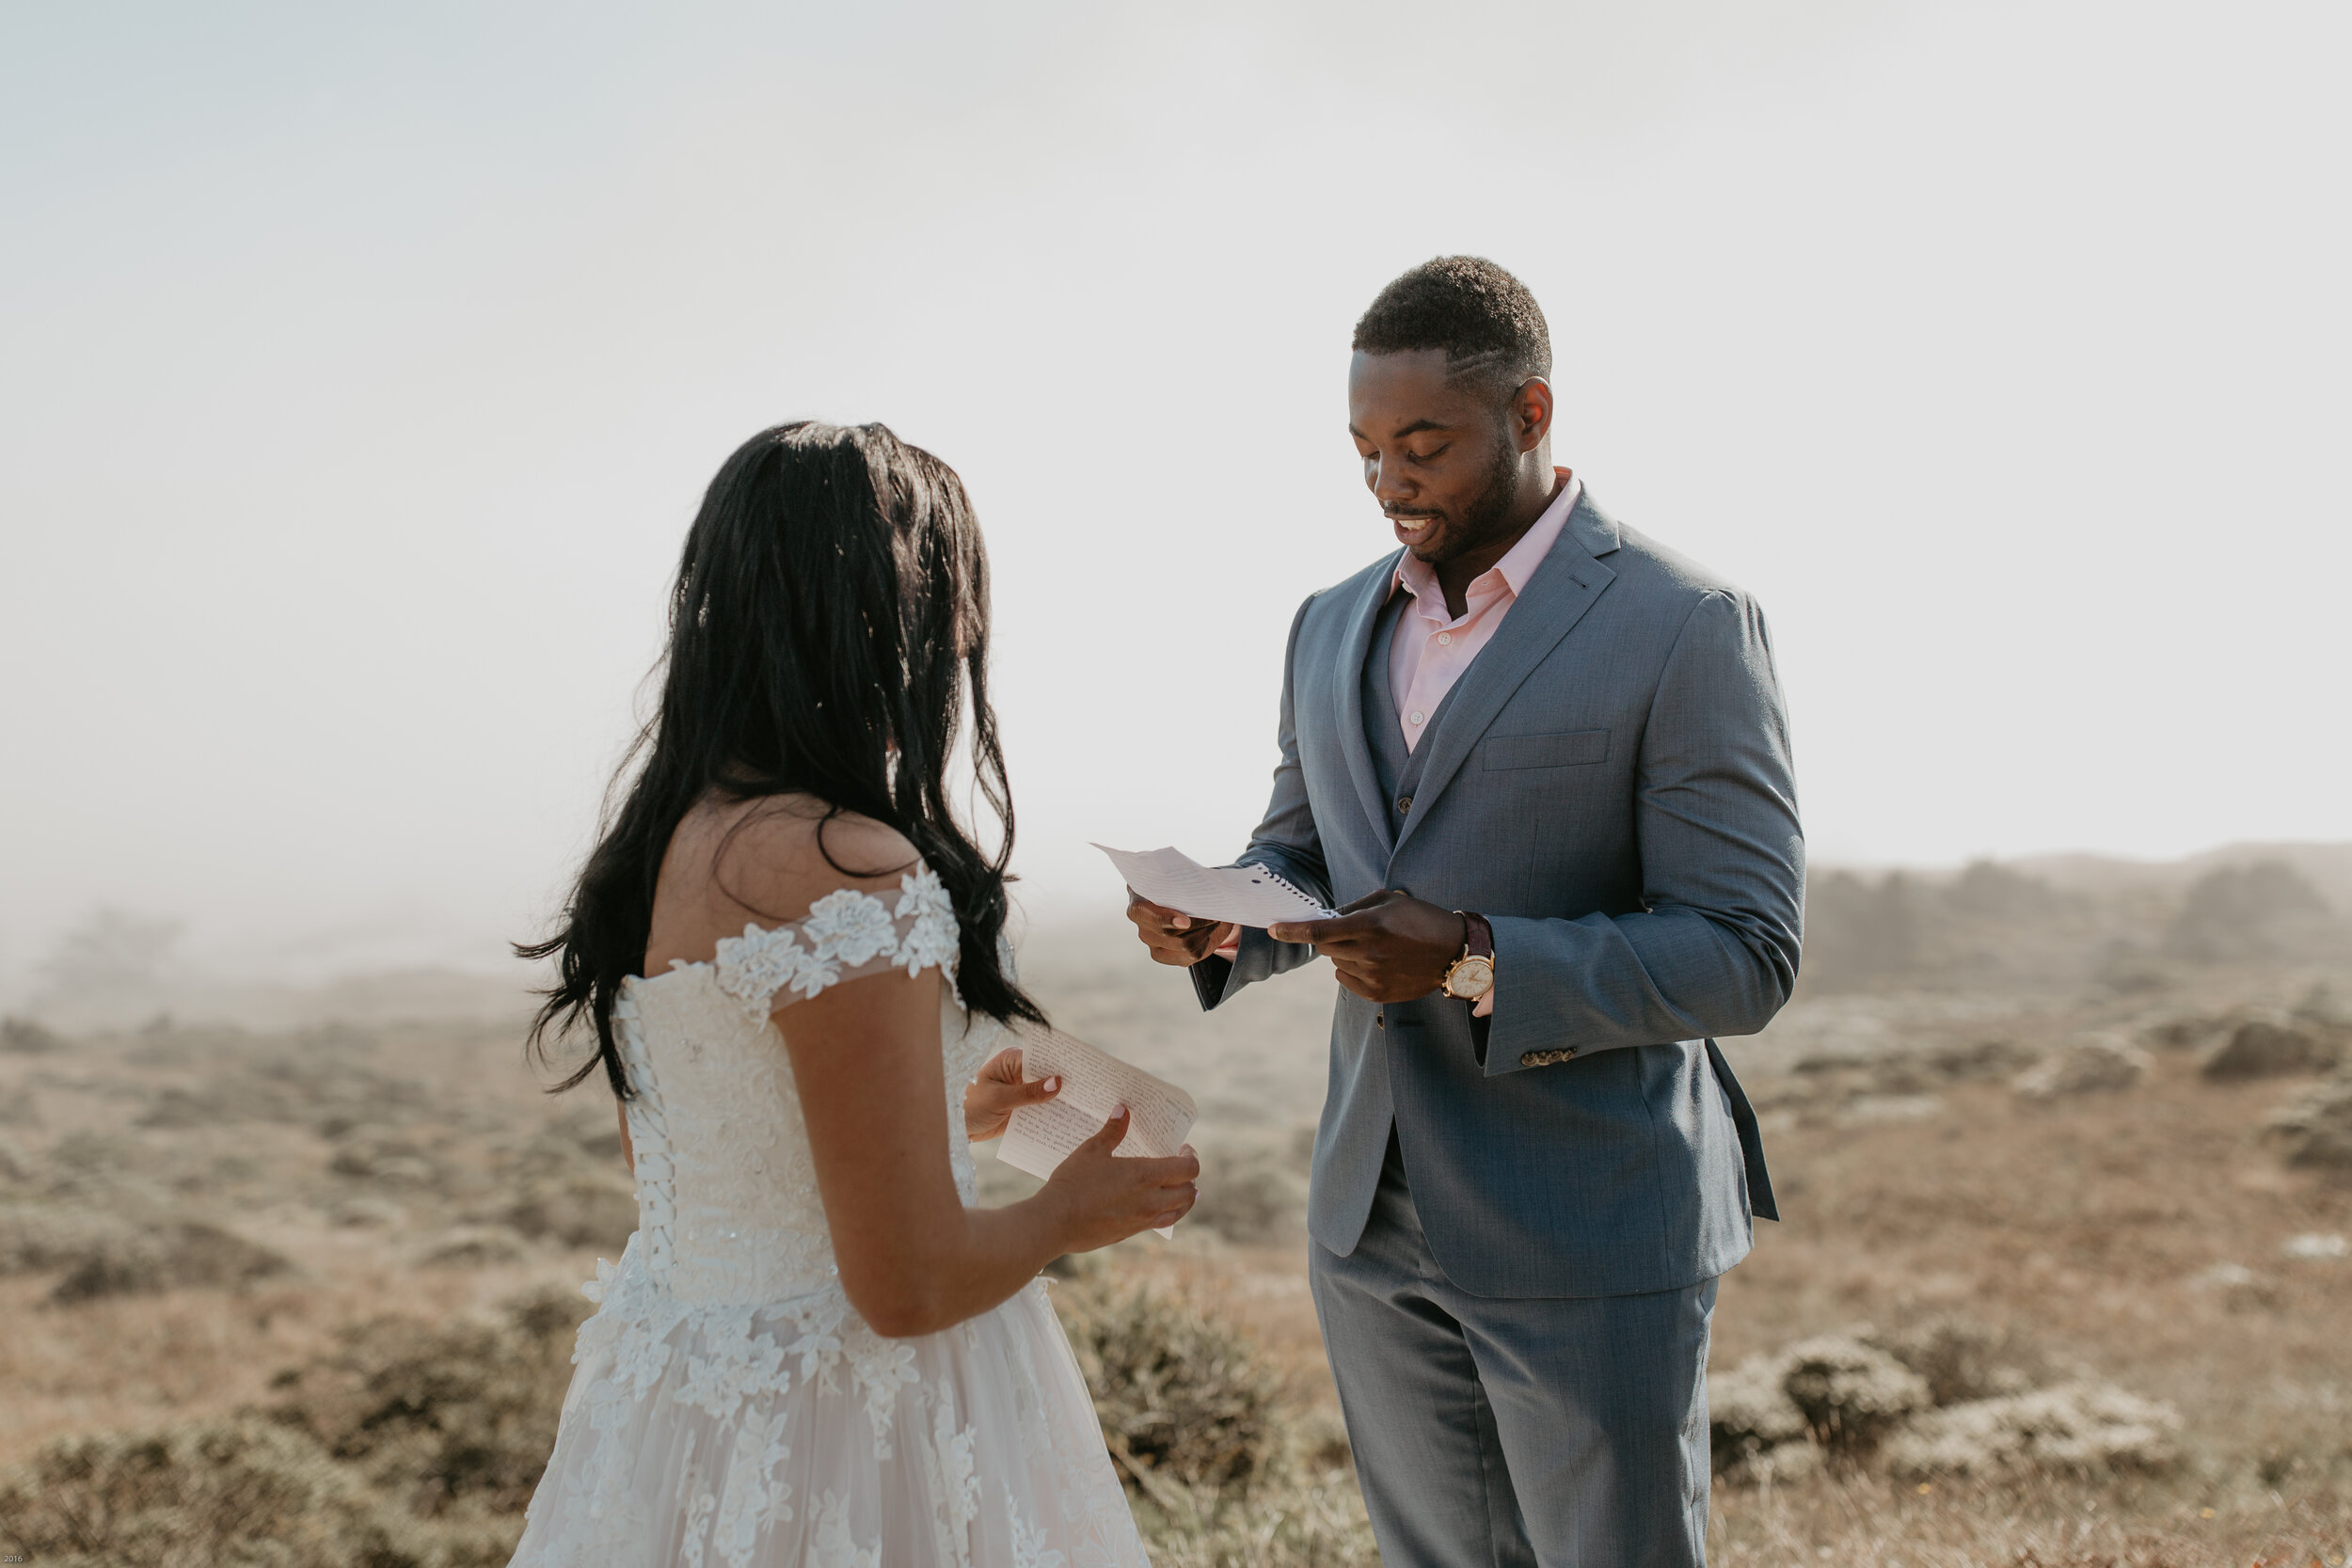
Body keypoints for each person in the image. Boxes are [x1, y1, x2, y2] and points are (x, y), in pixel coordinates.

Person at [1128, 257, 1802, 1568]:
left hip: (1589, 1214)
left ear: (1531, 413)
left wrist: (1479, 956)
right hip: (1369, 1210)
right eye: (1366, 448)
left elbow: (1746, 953)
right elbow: (1306, 851)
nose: (1390, 478)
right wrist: (1228, 916)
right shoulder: (1326, 624)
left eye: (1423, 443)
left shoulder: (1687, 624)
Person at [510, 421, 1192, 1567]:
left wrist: (941, 1118)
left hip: (684, 1419)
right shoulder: (846, 866)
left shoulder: (668, 845)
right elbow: (908, 1286)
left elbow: (698, 1161)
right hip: (858, 1432)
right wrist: (1064, 1214)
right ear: (903, 617)